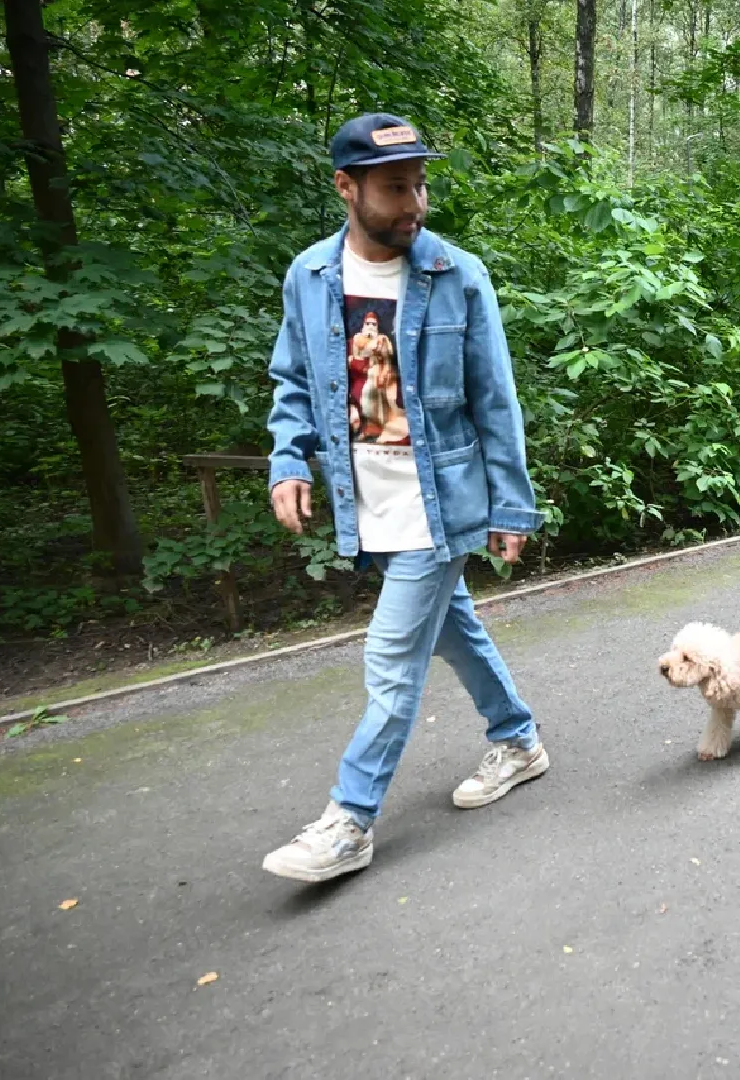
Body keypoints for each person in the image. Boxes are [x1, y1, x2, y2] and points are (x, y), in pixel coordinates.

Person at [260, 113, 547, 883]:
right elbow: (292, 381)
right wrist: (288, 459)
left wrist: (510, 505)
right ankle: (518, 740)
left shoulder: (458, 274)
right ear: (346, 187)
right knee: (452, 630)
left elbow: (496, 399)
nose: (414, 201)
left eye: (419, 183)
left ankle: (350, 821)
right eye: (395, 187)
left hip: (444, 501)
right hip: (367, 503)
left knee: (391, 657)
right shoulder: (310, 276)